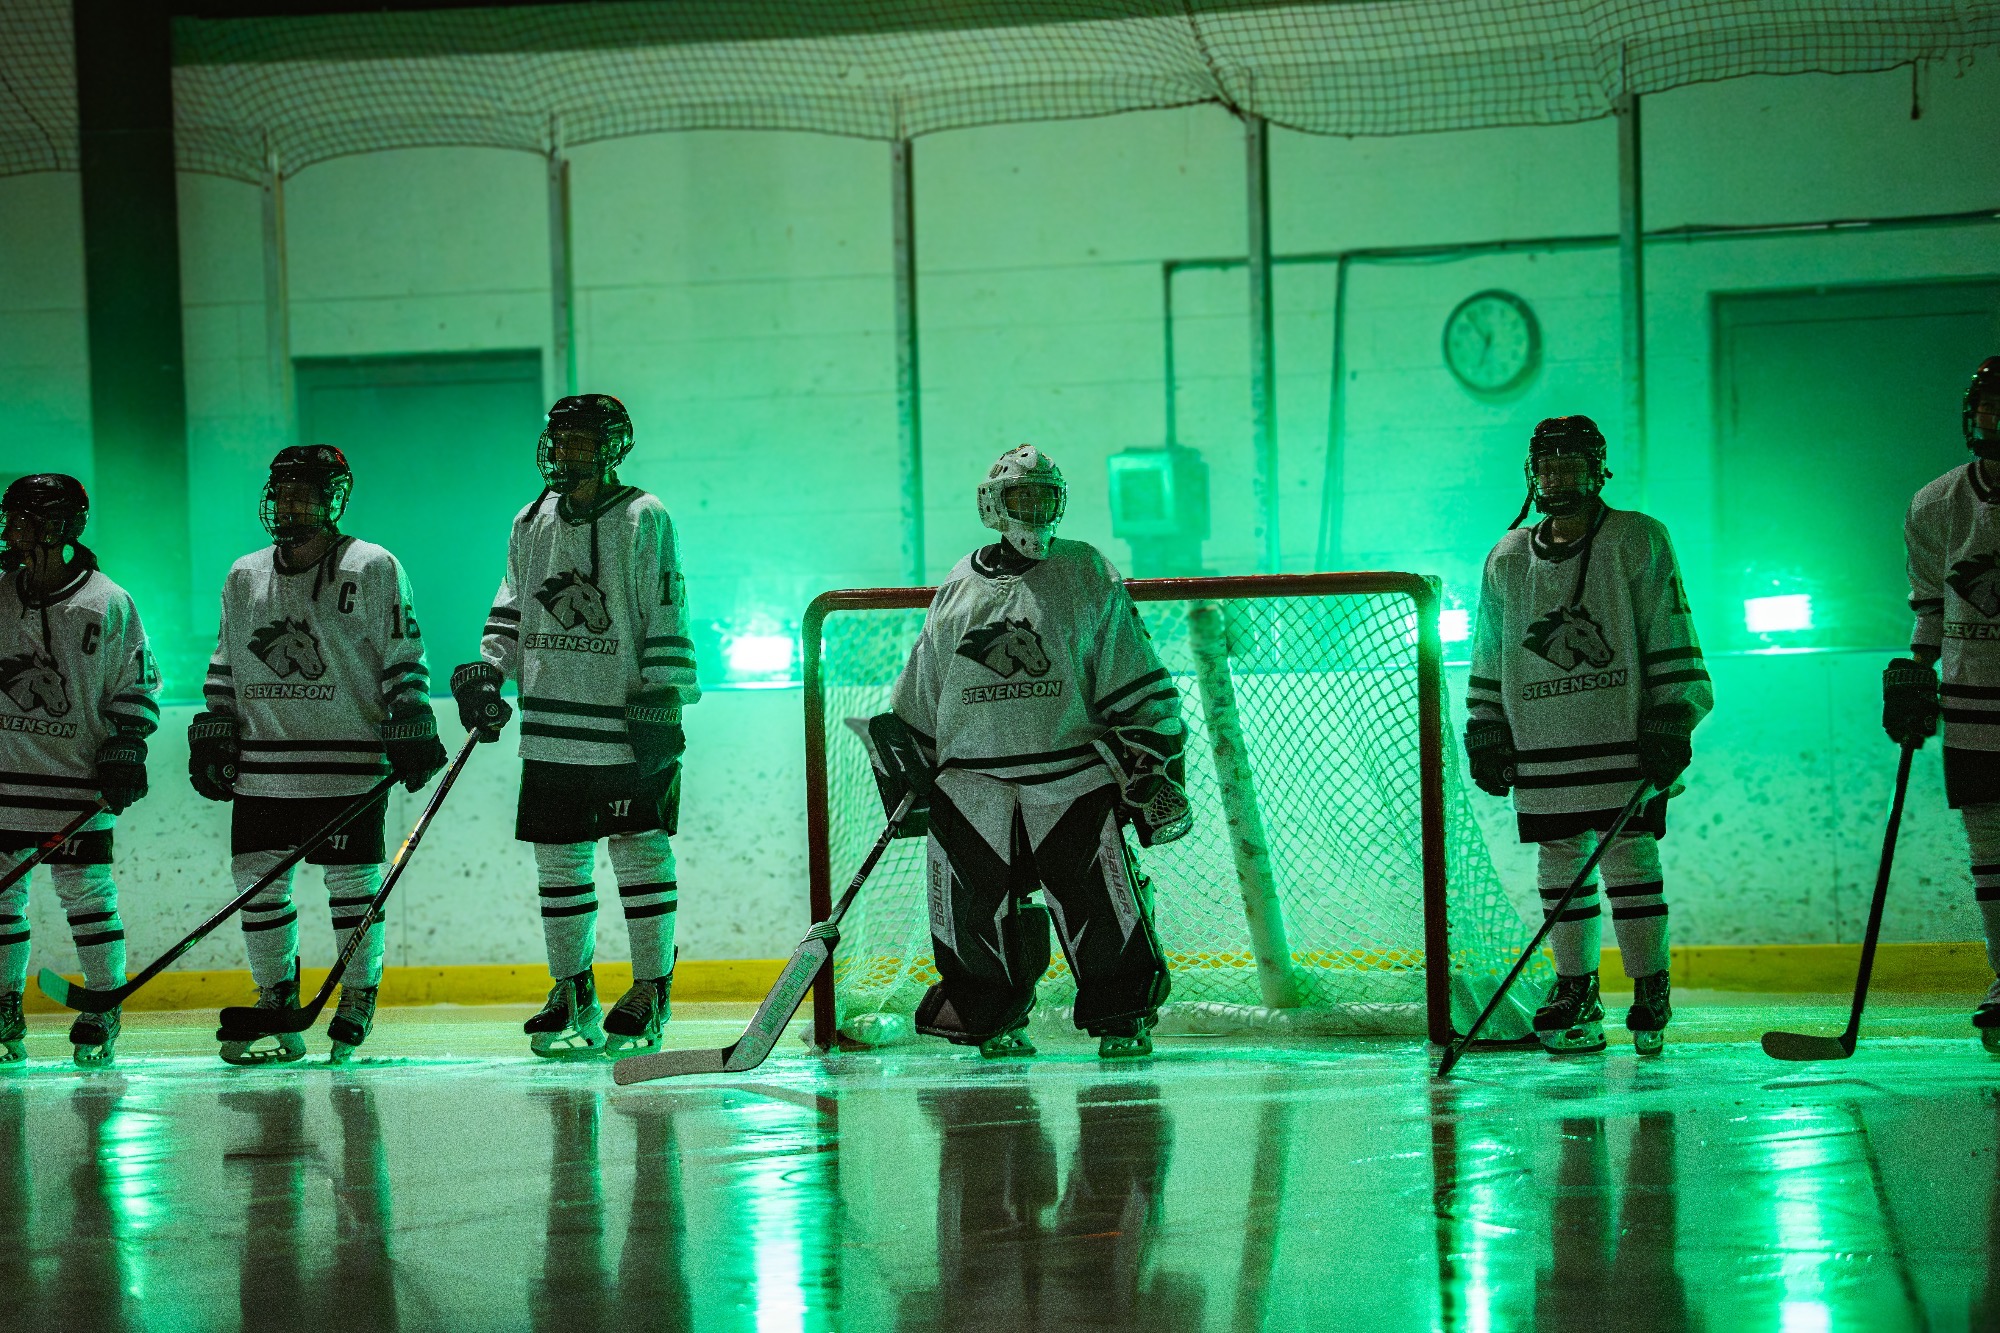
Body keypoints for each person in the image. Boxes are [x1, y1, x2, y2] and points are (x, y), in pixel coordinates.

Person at [890, 444, 1189, 1060]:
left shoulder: (1084, 569)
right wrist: (909, 766)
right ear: (992, 506)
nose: (1033, 511)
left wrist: (1150, 753)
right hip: (970, 784)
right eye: (1020, 498)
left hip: (1069, 774)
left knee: (1097, 901)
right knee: (974, 913)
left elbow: (1127, 662)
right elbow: (923, 685)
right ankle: (989, 1015)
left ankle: (1121, 1014)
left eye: (1043, 498)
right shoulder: (959, 584)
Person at [451, 394, 698, 1060]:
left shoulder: (644, 516)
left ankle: (651, 986)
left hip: (625, 723)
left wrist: (664, 696)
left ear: (613, 447)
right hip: (550, 725)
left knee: (639, 852)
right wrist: (488, 670)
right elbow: (512, 603)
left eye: (582, 441)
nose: (567, 453)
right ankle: (572, 988)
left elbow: (666, 607)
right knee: (559, 860)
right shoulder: (530, 518)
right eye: (560, 441)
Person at [1465, 416, 1711, 1056]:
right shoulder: (1507, 556)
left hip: (1621, 734)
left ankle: (1650, 984)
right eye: (1548, 467)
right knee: (1559, 859)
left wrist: (1673, 714)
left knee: (1630, 855)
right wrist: (1486, 722)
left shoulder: (1636, 537)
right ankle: (1576, 987)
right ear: (1532, 473)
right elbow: (1489, 646)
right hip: (1541, 741)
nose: (1558, 478)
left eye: (1570, 466)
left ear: (1598, 470)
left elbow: (1669, 625)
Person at [192, 445, 445, 1064]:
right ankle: (276, 995)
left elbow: (403, 656)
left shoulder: (373, 565)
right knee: (257, 884)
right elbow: (226, 661)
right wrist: (217, 727)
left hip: (348, 762)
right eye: (283, 493)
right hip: (264, 765)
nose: (291, 505)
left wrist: (411, 716)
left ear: (334, 498)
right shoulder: (244, 574)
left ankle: (357, 993)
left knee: (353, 886)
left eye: (305, 494)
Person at [0, 476, 158, 1067]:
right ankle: (4, 1005)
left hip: (74, 784)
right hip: (5, 782)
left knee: (88, 897)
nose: (11, 529)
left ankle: (102, 1004)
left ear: (59, 525)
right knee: (2, 902)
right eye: (10, 517)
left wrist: (128, 743)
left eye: (23, 519)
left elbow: (137, 685)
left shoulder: (107, 601)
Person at [1885, 356, 2000, 1051]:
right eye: (1992, 408)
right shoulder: (1936, 503)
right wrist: (1917, 671)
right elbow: (1931, 606)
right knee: (1991, 852)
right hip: (1973, 707)